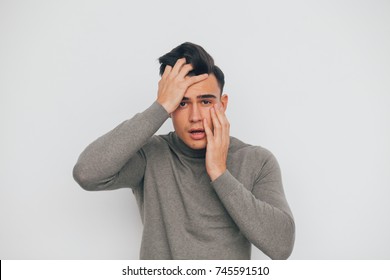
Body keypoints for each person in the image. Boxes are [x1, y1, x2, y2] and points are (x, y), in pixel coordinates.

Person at [73, 42, 295, 260]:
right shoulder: (150, 155)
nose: (195, 117)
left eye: (206, 101)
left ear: (223, 104)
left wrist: (219, 172)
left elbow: (281, 247)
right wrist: (159, 107)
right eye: (182, 103)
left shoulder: (257, 161)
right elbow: (87, 173)